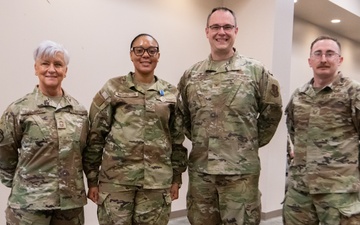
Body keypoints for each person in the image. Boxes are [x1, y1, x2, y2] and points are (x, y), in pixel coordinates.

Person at [177, 7, 282, 225]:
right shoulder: (191, 75)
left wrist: (247, 143)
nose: (221, 32)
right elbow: (184, 117)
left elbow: (272, 112)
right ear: (206, 31)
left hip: (241, 174)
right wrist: (203, 141)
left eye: (227, 27)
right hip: (201, 174)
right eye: (215, 27)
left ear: (236, 30)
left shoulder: (255, 71)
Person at [83, 33, 187, 225]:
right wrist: (91, 179)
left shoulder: (171, 93)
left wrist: (176, 178)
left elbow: (177, 139)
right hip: (116, 182)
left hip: (157, 183)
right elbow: (96, 136)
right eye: (139, 50)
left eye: (151, 51)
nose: (145, 55)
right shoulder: (113, 88)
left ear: (158, 55)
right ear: (131, 55)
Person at [0, 40, 89, 225]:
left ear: (65, 70)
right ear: (35, 68)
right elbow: (4, 151)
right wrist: (23, 184)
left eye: (58, 64)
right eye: (45, 63)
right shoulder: (19, 110)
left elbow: (85, 153)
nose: (51, 69)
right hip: (29, 206)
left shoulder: (79, 111)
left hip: (70, 206)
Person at [283, 35, 360, 224]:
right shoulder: (299, 96)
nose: (323, 59)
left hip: (338, 191)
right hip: (300, 190)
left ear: (340, 60)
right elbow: (295, 132)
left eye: (330, 53)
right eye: (318, 54)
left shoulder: (353, 93)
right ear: (310, 61)